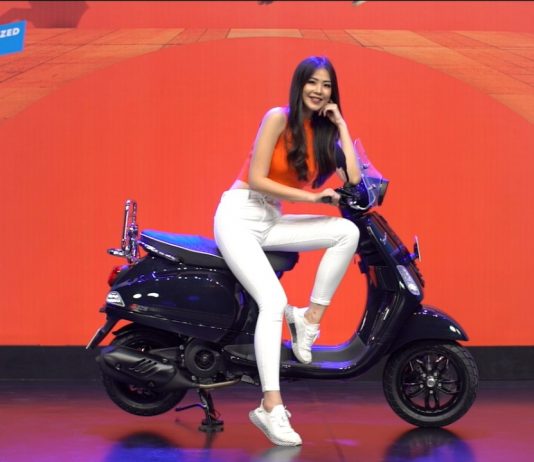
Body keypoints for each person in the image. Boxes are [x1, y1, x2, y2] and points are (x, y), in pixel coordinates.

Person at [213, 56, 361, 446]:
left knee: (346, 232)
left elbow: (354, 178)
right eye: (313, 82)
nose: (319, 91)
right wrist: (313, 197)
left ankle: (309, 320)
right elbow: (257, 178)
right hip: (239, 216)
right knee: (273, 301)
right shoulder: (277, 118)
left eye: (326, 85)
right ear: (300, 85)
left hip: (271, 220)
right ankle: (270, 405)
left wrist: (342, 126)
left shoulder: (323, 135)